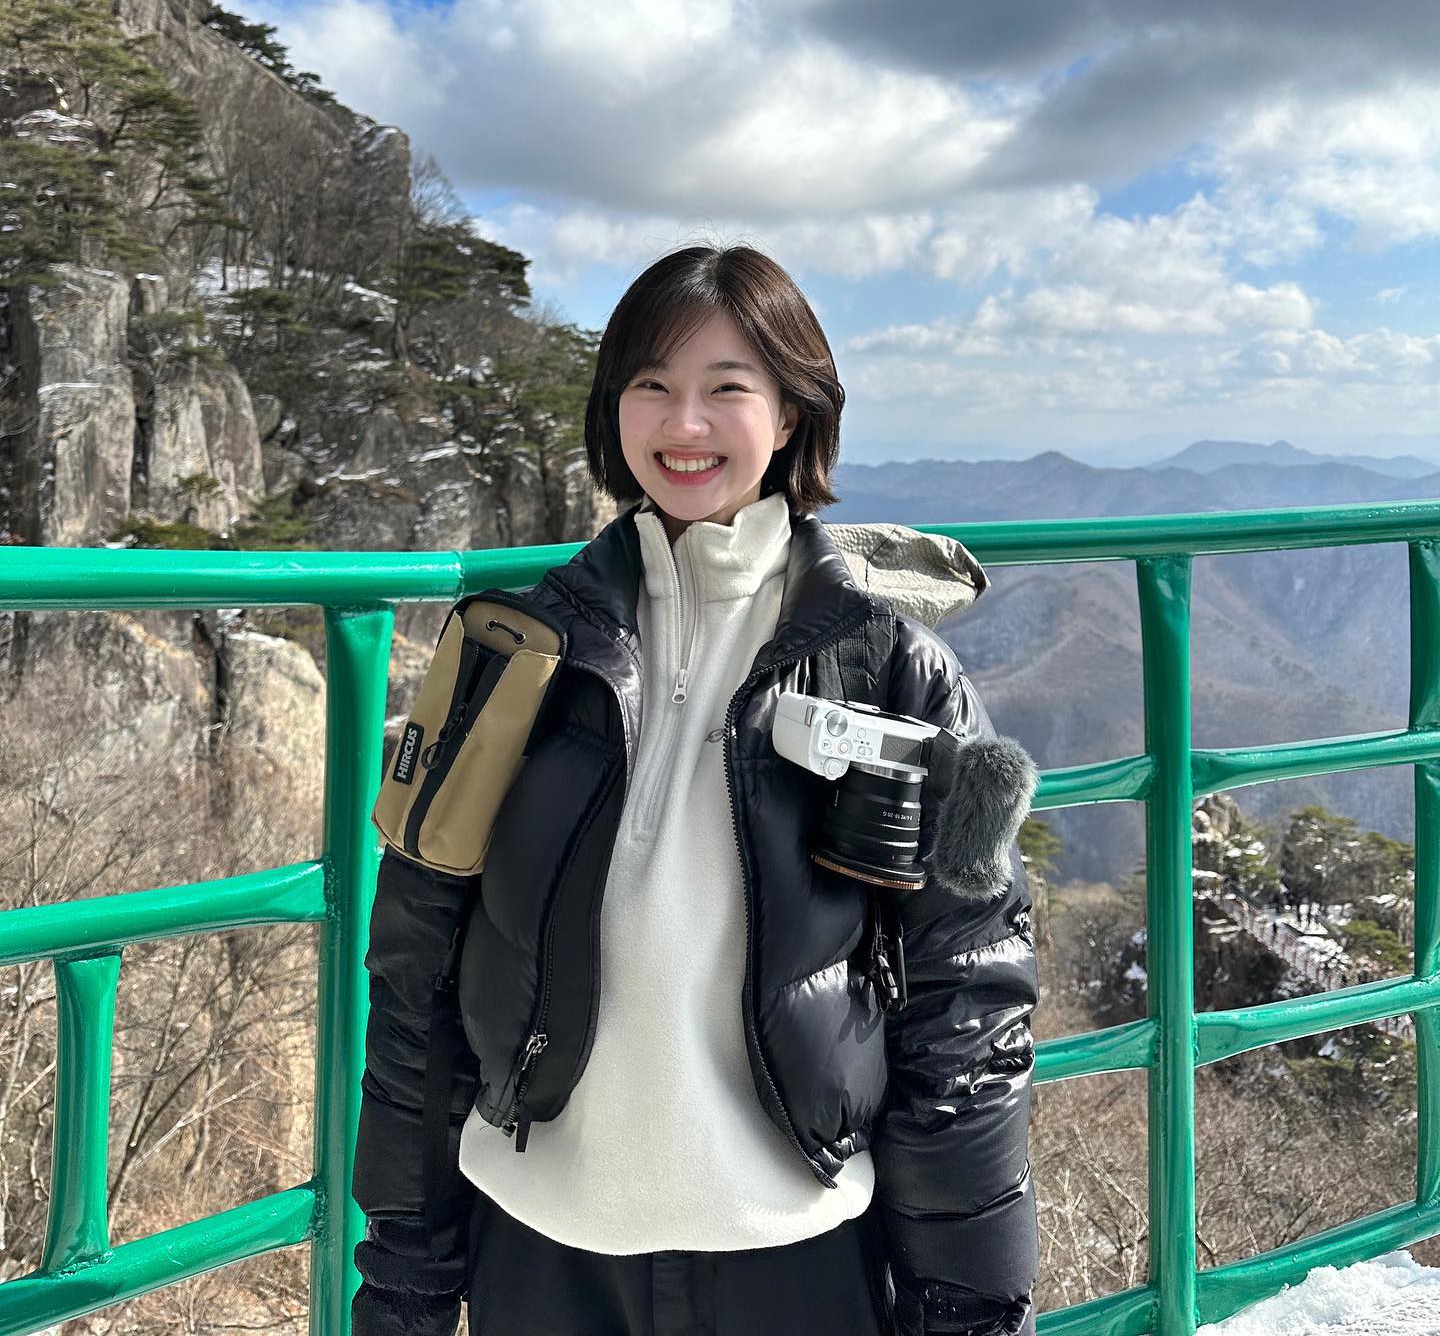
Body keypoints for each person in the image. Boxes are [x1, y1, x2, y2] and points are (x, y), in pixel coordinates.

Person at [351, 243, 1040, 1336]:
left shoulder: (892, 671)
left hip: (797, 1252)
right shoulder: (515, 655)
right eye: (653, 384)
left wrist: (970, 1305)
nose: (685, 423)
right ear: (613, 407)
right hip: (539, 1241)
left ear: (793, 412)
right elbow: (416, 973)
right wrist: (405, 1273)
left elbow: (968, 1002)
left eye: (728, 387)